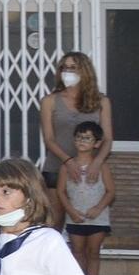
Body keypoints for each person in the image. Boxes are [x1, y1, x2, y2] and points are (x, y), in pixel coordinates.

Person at [39, 51, 111, 229]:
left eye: (73, 67)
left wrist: (97, 163)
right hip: (56, 167)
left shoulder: (101, 101)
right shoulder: (50, 101)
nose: (67, 71)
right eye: (64, 67)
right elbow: (48, 139)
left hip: (90, 171)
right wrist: (69, 162)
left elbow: (108, 138)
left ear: (84, 71)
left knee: (86, 224)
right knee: (54, 222)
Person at [58, 121, 115, 275]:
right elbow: (61, 192)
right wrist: (71, 211)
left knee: (94, 253)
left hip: (98, 219)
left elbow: (111, 191)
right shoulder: (66, 167)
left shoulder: (102, 167)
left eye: (87, 138)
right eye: (79, 137)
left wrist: (98, 208)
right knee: (77, 252)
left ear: (96, 143)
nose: (82, 141)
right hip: (75, 218)